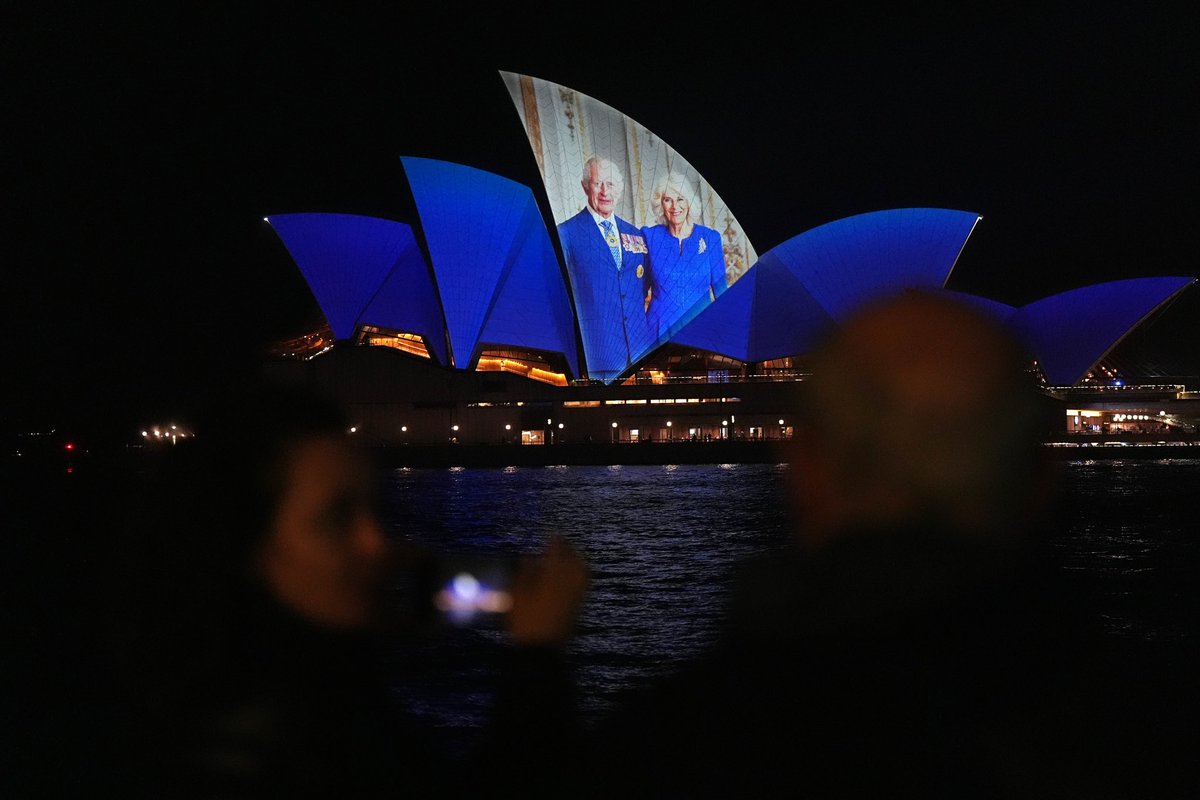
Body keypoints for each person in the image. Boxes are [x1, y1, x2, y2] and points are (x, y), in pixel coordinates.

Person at [581, 290, 1193, 797]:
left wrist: (535, 673)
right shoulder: (1149, 739)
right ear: (1039, 481)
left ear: (805, 468)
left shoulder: (672, 746)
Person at [99, 379, 589, 798]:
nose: (378, 544)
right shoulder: (259, 754)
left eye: (374, 511)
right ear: (238, 544)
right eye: (338, 518)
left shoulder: (283, 702)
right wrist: (537, 660)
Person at [556, 156, 656, 382]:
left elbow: (641, 287)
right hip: (598, 355)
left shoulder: (636, 234)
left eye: (610, 184)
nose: (604, 191)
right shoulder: (566, 233)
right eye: (597, 183)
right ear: (584, 186)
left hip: (640, 354)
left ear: (618, 190)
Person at [641, 172, 726, 341]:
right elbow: (639, 291)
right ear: (661, 204)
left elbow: (721, 293)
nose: (675, 207)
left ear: (689, 202)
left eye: (680, 199)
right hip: (658, 333)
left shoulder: (710, 238)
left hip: (702, 331)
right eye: (667, 200)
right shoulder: (649, 237)